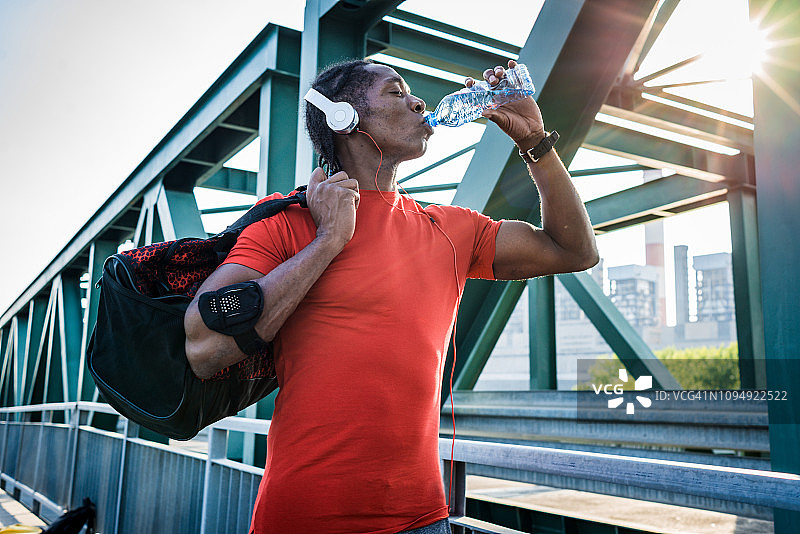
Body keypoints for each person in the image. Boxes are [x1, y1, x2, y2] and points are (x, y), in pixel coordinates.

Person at [184, 58, 598, 534]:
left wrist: (535, 143)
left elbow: (574, 250)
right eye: (396, 92)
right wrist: (327, 242)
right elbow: (203, 345)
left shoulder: (452, 229)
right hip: (303, 517)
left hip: (423, 519)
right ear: (343, 117)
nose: (419, 102)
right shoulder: (289, 224)